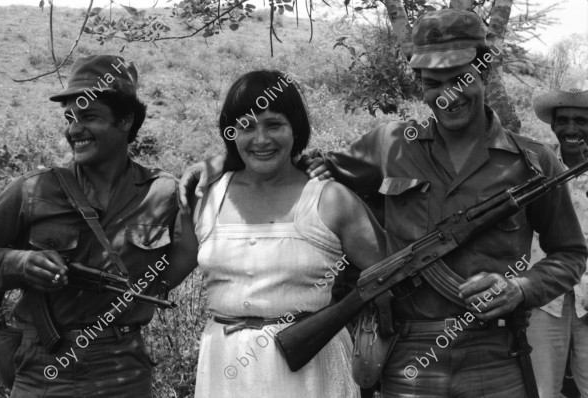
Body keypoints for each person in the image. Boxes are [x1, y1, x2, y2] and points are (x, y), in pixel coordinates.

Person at [179, 10, 587, 398]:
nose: (447, 95)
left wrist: (520, 288)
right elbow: (295, 161)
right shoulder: (389, 144)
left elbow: (570, 253)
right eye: (432, 82)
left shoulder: (534, 163)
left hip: (497, 351)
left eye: (459, 78)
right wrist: (221, 160)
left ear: (483, 70)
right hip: (409, 355)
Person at [0, 55, 196, 397]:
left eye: (89, 117)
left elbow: (204, 243)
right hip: (43, 366)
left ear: (126, 120)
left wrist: (311, 167)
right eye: (69, 118)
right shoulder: (33, 190)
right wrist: (19, 264)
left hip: (123, 368)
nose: (74, 129)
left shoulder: (165, 194)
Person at [189, 70, 387, 398]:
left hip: (313, 369)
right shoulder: (206, 197)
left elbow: (392, 275)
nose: (261, 139)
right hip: (224, 367)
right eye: (247, 126)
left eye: (274, 124)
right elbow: (160, 275)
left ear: (296, 129)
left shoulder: (330, 198)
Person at [527, 80, 588, 397]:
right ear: (553, 124)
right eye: (563, 120)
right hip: (545, 297)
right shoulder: (536, 165)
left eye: (581, 120)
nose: (571, 128)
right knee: (542, 390)